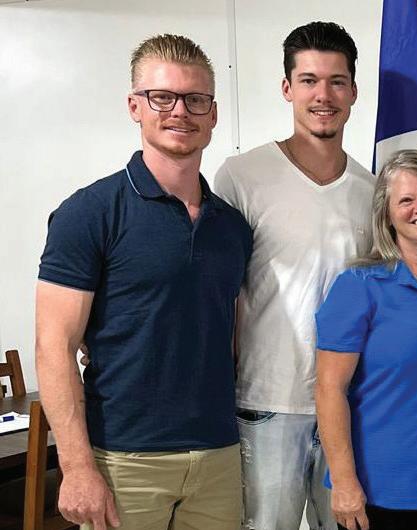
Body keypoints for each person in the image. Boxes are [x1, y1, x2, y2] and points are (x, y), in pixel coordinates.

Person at [35, 34, 251, 530]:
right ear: (135, 106)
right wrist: (77, 468)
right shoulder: (89, 213)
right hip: (123, 460)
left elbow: (231, 338)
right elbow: (54, 347)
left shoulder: (233, 227)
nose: (180, 112)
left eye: (195, 100)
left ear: (214, 114)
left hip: (218, 453)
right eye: (162, 97)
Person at [213, 22, 375, 530]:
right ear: (287, 88)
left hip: (350, 406)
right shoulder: (241, 176)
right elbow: (215, 292)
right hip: (265, 403)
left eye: (336, 81)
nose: (323, 95)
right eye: (309, 80)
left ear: (353, 90)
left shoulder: (374, 191)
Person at [314, 150, 417, 530]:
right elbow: (329, 389)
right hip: (375, 489)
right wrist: (343, 482)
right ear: (387, 215)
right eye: (406, 200)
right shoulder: (359, 287)